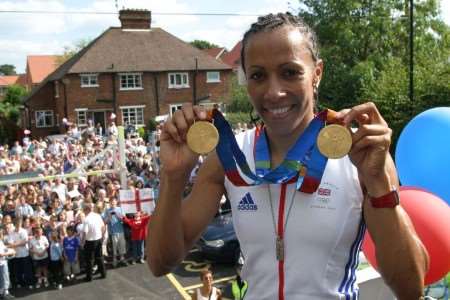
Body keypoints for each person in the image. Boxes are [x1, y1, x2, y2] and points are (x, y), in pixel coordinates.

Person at [147, 12, 429, 300]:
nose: (274, 92)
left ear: (317, 73)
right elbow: (160, 263)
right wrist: (173, 176)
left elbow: (410, 288)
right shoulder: (230, 157)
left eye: (290, 72)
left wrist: (379, 182)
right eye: (258, 75)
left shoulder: (359, 155)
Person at [80, 202, 106, 281]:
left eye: (84, 210)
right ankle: (103, 274)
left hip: (90, 241)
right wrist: (102, 236)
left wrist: (82, 242)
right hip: (98, 239)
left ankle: (89, 277)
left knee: (89, 260)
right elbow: (103, 227)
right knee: (99, 257)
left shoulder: (86, 219)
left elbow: (85, 232)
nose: (83, 211)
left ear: (86, 210)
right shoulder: (97, 216)